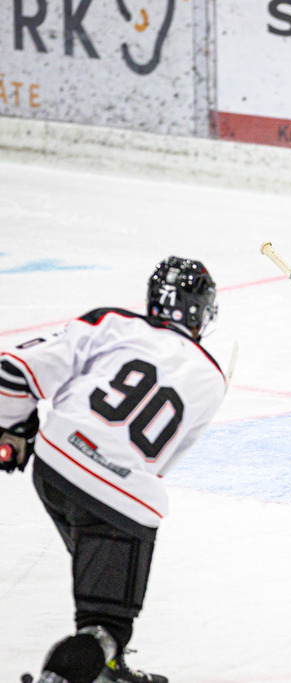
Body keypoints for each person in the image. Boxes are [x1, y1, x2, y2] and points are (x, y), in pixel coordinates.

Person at [1, 257, 226, 683]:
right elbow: (160, 462)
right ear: (202, 311)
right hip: (117, 500)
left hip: (53, 467)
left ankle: (106, 667)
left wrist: (14, 427)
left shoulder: (112, 323)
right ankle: (92, 659)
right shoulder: (212, 378)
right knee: (104, 626)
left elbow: (13, 371)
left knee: (99, 574)